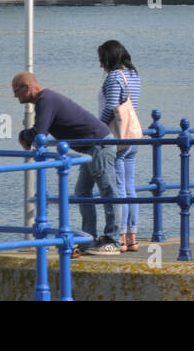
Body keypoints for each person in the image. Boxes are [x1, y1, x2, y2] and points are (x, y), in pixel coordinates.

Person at [12, 71, 121, 255]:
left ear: (27, 87)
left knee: (108, 191)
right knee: (82, 192)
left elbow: (40, 133)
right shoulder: (47, 99)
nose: (15, 95)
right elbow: (40, 130)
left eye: (16, 91)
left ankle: (113, 240)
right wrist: (27, 135)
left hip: (99, 145)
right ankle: (89, 239)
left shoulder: (45, 100)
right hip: (90, 147)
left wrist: (24, 135)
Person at [96, 40, 141, 252]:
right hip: (133, 136)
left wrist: (97, 127)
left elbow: (112, 108)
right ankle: (132, 237)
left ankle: (120, 237)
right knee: (130, 188)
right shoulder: (134, 75)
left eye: (102, 59)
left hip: (117, 138)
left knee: (120, 187)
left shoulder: (115, 77)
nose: (101, 65)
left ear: (110, 57)